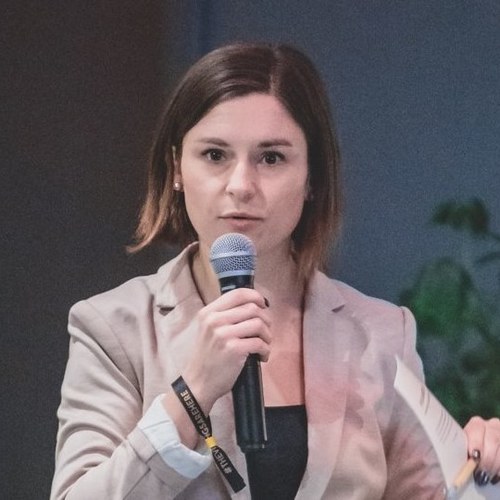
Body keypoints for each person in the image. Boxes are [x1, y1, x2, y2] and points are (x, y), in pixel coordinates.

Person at [51, 42, 500, 499]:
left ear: (312, 178)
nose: (241, 185)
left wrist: (484, 476)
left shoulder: (382, 335)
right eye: (214, 155)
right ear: (176, 169)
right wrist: (194, 392)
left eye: (271, 158)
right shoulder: (115, 329)